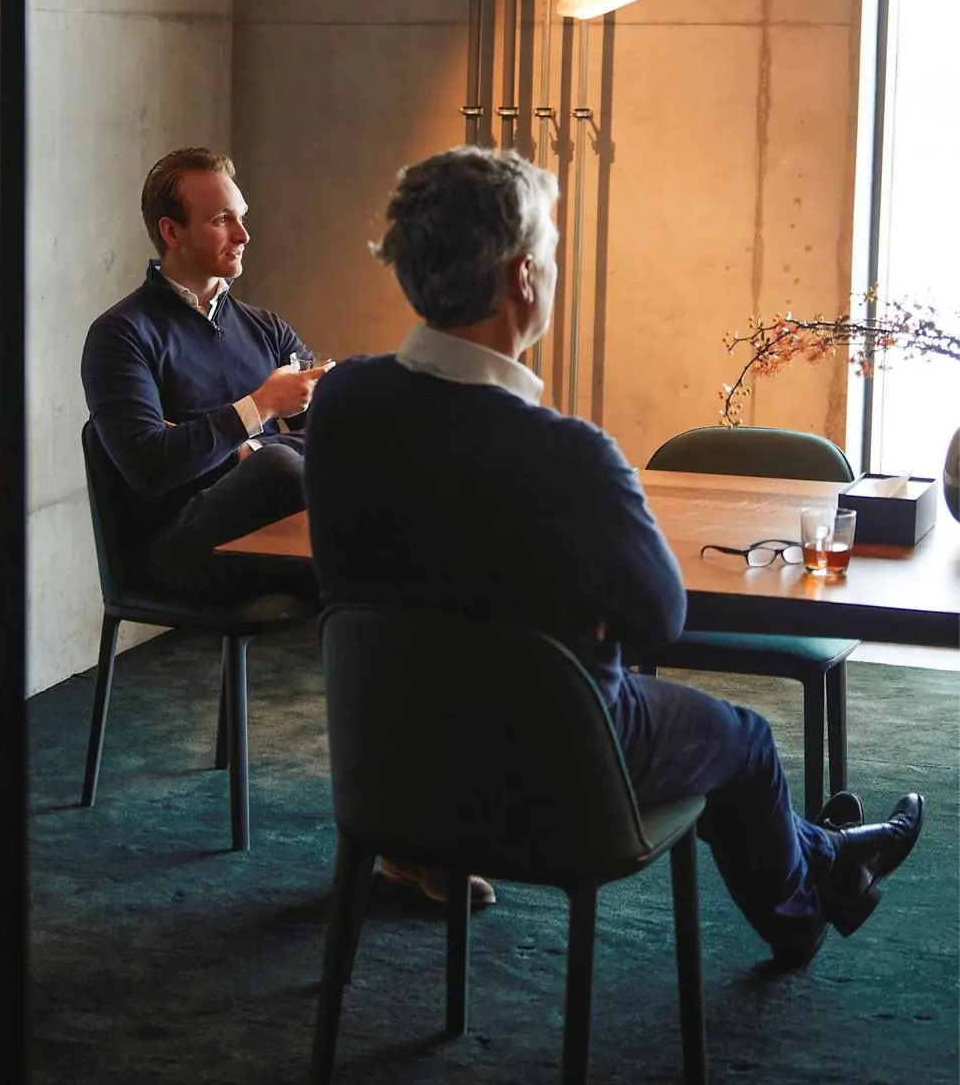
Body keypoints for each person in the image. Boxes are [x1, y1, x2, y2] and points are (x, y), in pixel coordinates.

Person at [304, 146, 923, 963]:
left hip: (390, 769)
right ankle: (806, 911)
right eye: (552, 249)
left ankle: (828, 856)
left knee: (710, 738)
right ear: (524, 277)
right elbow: (661, 616)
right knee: (744, 741)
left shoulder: (342, 401)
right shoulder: (567, 455)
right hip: (555, 767)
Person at [82, 147, 327, 606]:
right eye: (221, 220)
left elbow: (330, 437)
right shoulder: (119, 335)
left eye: (241, 217)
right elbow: (150, 465)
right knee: (279, 470)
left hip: (279, 531)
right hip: (175, 551)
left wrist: (242, 449)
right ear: (172, 231)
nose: (243, 234)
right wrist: (262, 406)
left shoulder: (268, 329)